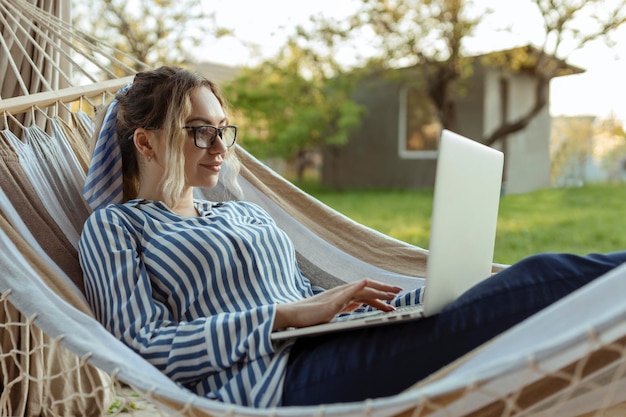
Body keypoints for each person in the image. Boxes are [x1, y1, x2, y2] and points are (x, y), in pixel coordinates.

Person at [78, 66, 626, 408]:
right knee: (537, 281)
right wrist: (288, 317)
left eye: (222, 129)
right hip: (270, 381)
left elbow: (305, 298)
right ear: (146, 144)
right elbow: (139, 347)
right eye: (198, 131)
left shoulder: (239, 215)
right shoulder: (116, 228)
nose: (220, 145)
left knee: (485, 289)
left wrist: (405, 299)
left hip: (333, 340)